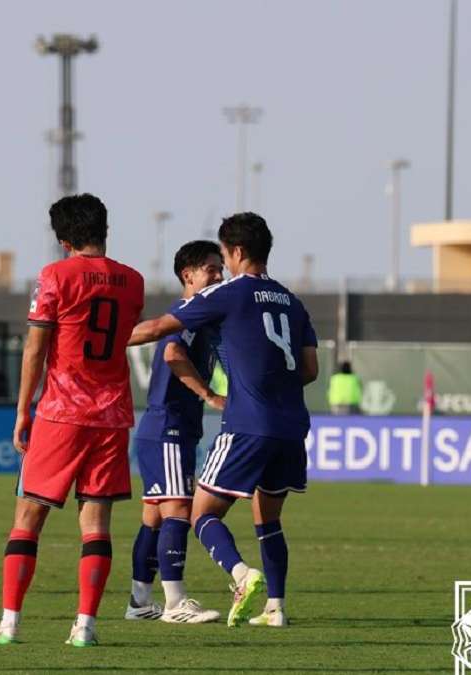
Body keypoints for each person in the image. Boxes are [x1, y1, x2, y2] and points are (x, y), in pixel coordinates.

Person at [129, 212, 318, 629]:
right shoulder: (293, 301)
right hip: (292, 427)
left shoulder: (230, 294)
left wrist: (100, 338)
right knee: (268, 519)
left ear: (235, 251)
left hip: (249, 423)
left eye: (224, 259)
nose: (222, 268)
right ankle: (276, 608)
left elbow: (160, 328)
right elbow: (309, 369)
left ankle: (240, 573)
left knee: (202, 513)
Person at [0, 194, 144, 647]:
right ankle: (84, 627)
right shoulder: (133, 281)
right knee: (96, 525)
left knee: (28, 517)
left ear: (63, 239)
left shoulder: (55, 276)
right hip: (111, 415)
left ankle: (10, 625)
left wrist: (22, 410)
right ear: (104, 230)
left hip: (61, 411)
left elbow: (35, 347)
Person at [126, 240, 225, 624]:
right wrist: (209, 393)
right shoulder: (187, 313)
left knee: (153, 515)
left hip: (169, 426)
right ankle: (174, 602)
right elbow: (170, 353)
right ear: (188, 275)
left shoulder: (199, 314)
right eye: (211, 269)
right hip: (167, 424)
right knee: (178, 509)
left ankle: (138, 602)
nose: (219, 276)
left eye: (221, 269)